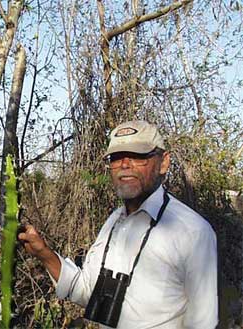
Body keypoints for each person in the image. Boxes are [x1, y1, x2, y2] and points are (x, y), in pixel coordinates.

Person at [18, 120, 218, 328]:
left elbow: (202, 323)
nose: (124, 164)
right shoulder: (114, 222)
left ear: (164, 162)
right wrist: (44, 254)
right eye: (116, 157)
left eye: (138, 155)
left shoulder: (193, 232)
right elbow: (85, 291)